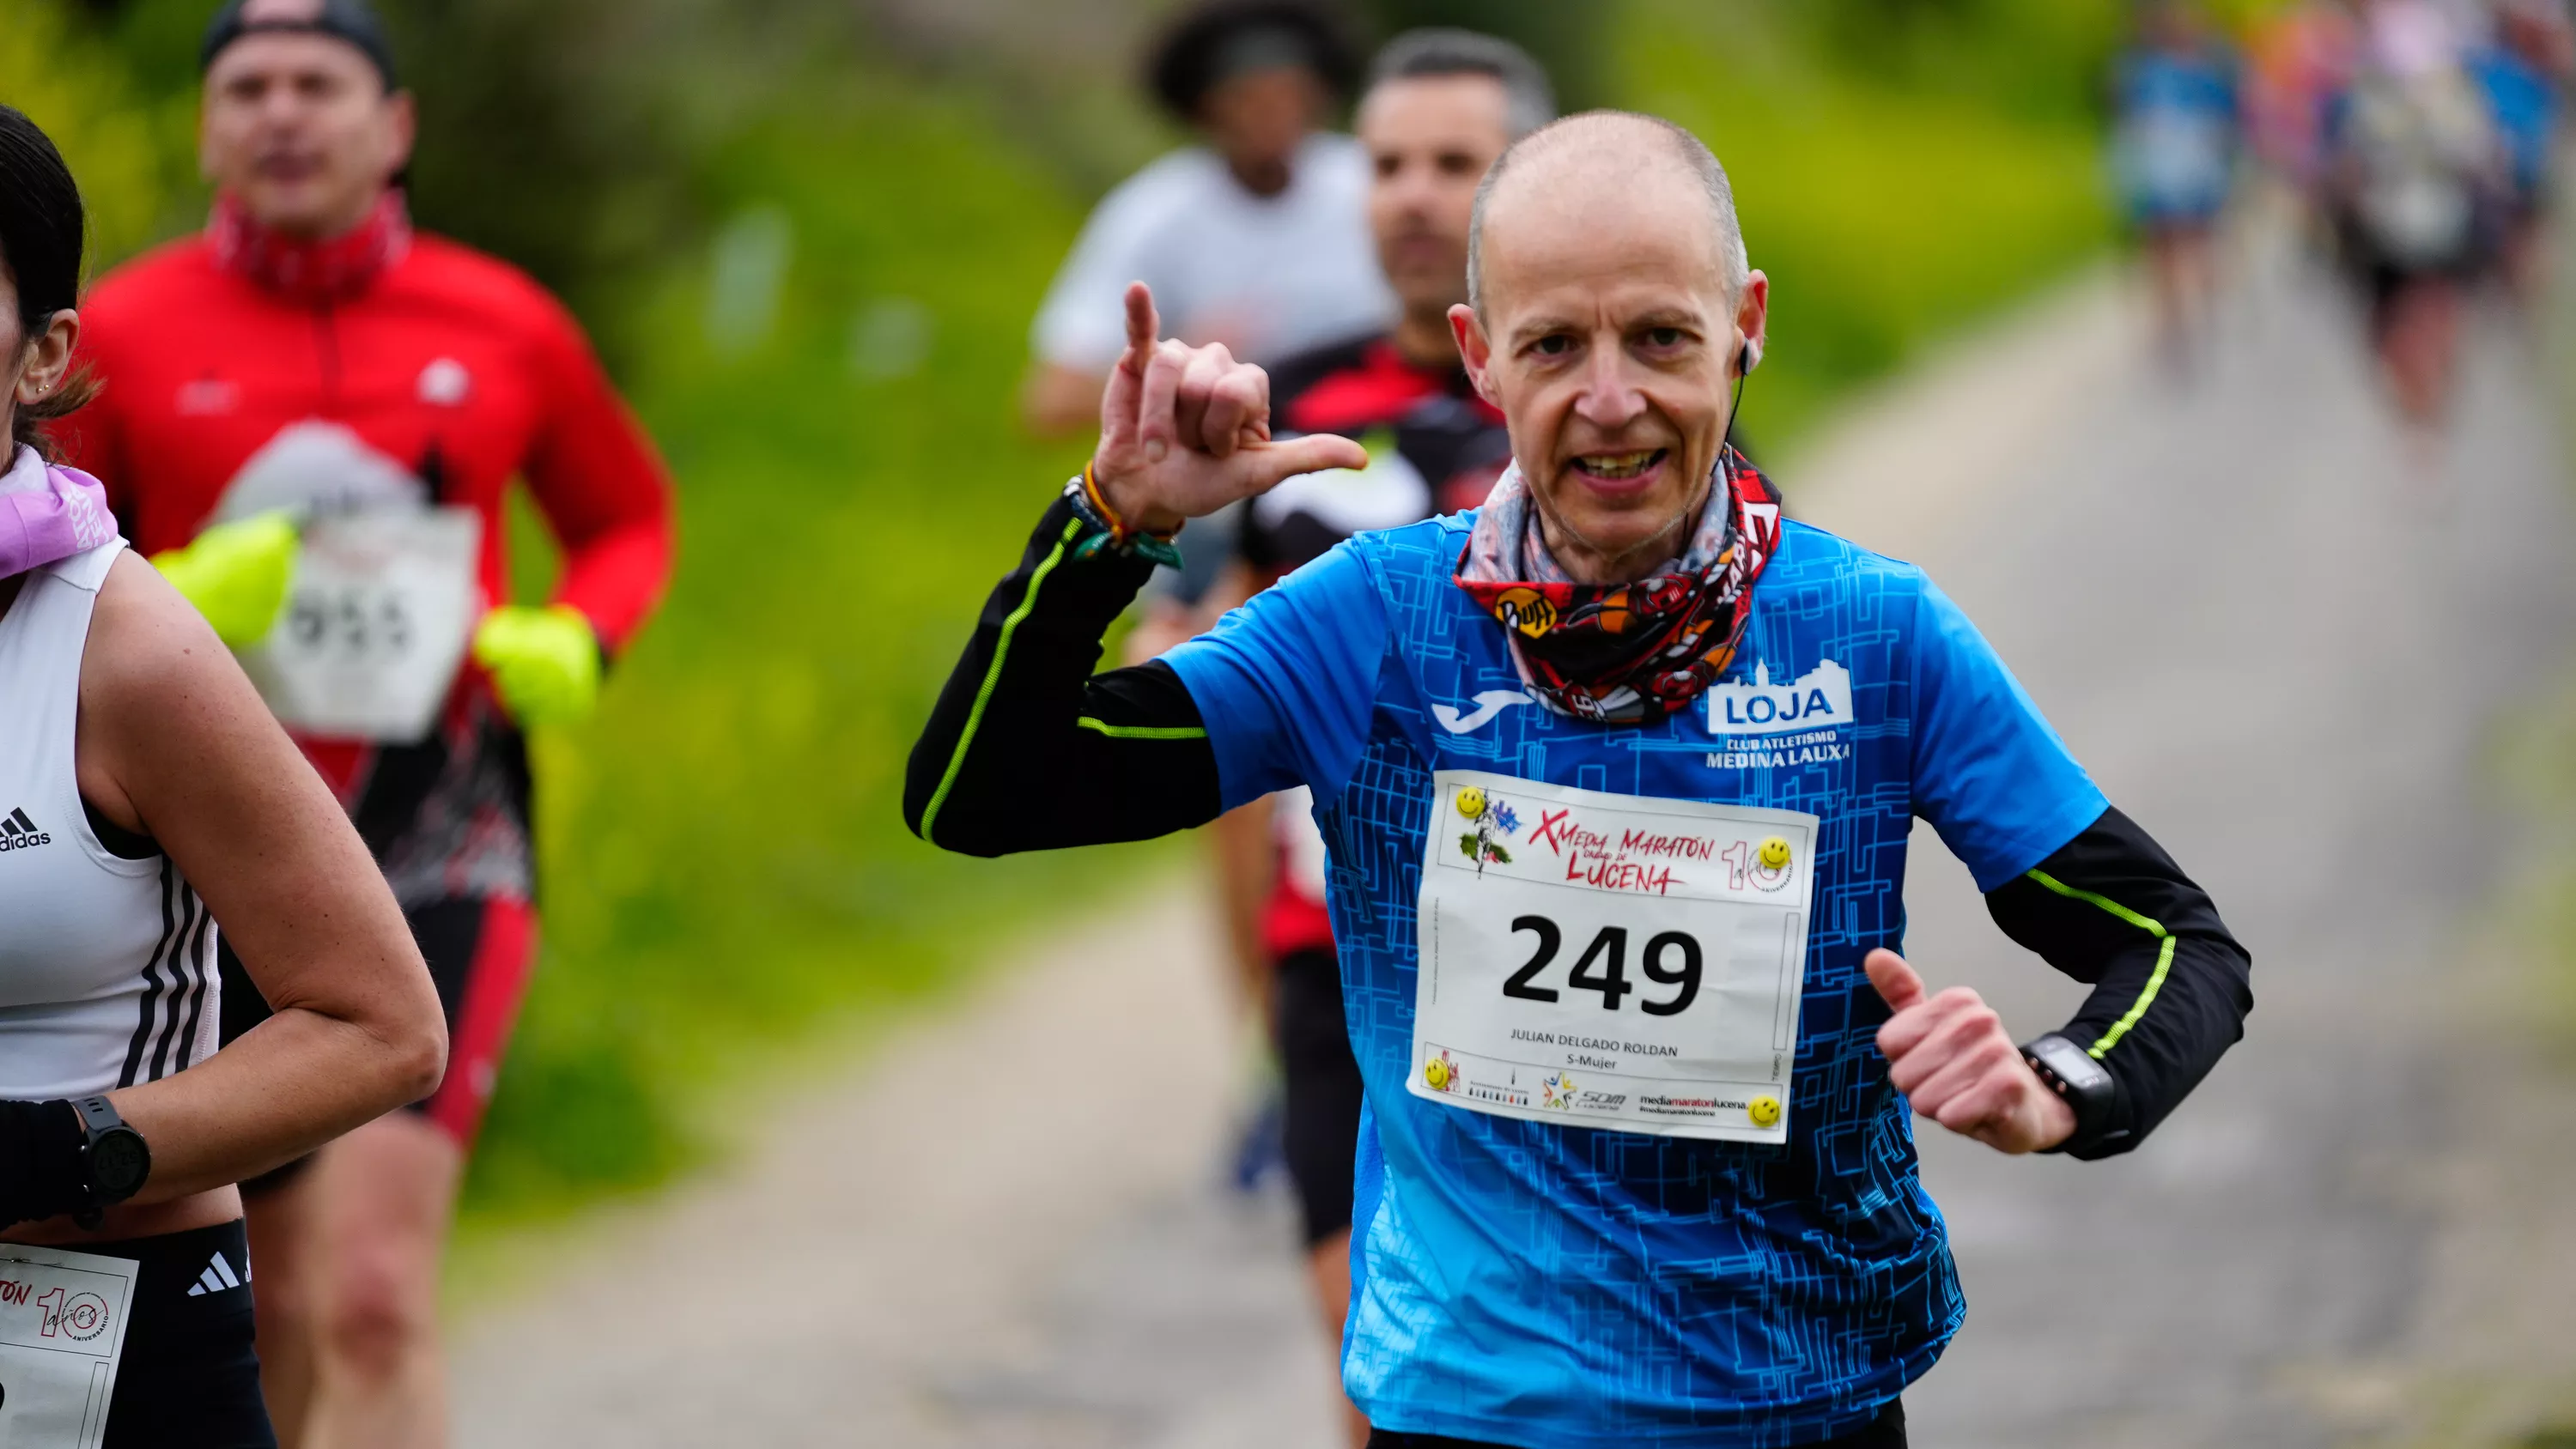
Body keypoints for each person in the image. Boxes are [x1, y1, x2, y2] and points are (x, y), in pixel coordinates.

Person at [908, 111, 2253, 1445]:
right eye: (1555, 345)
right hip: (1470, 1412)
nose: (1612, 401)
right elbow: (985, 793)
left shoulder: (1872, 634)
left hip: (1799, 1401)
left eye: (1662, 336)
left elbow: (2175, 945)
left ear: (1747, 326)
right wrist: (1110, 526)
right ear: (1482, 359)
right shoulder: (1375, 620)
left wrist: (2058, 1088)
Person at [51, 2, 676, 1444]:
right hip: (199, 872)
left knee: (378, 1291)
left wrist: (581, 632)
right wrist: (175, 589)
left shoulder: (503, 318)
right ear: (207, 128)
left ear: (392, 128)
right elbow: (38, 560)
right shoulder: (124, 329)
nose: (283, 113)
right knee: (265, 1310)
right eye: (247, 86)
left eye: (318, 85)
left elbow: (627, 517)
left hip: (438, 835)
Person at [0, 101, 447, 1446]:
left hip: (89, 1322)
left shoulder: (119, 648)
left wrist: (51, 1151)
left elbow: (382, 1028)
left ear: (43, 356)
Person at [1198, 30, 1546, 1444]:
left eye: (1455, 164)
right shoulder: (1282, 399)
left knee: (1537, 1367)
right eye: (1388, 161)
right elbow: (1215, 694)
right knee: (1376, 1362)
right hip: (1333, 947)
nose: (1412, 195)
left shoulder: (1597, 404)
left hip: (1545, 953)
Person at [2323, 0, 2506, 424]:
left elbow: (2480, 152)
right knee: (2396, 321)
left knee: (2431, 313)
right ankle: (2417, 400)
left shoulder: (2451, 95)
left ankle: (2429, 398)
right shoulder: (2369, 94)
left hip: (2439, 224)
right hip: (2389, 228)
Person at [2110, 1, 2241, 367]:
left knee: (2197, 242)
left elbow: (2225, 120)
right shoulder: (2139, 71)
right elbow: (2126, 120)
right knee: (2160, 246)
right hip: (2157, 171)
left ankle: (2199, 307)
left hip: (2196, 169)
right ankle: (2172, 321)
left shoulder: (2208, 70)